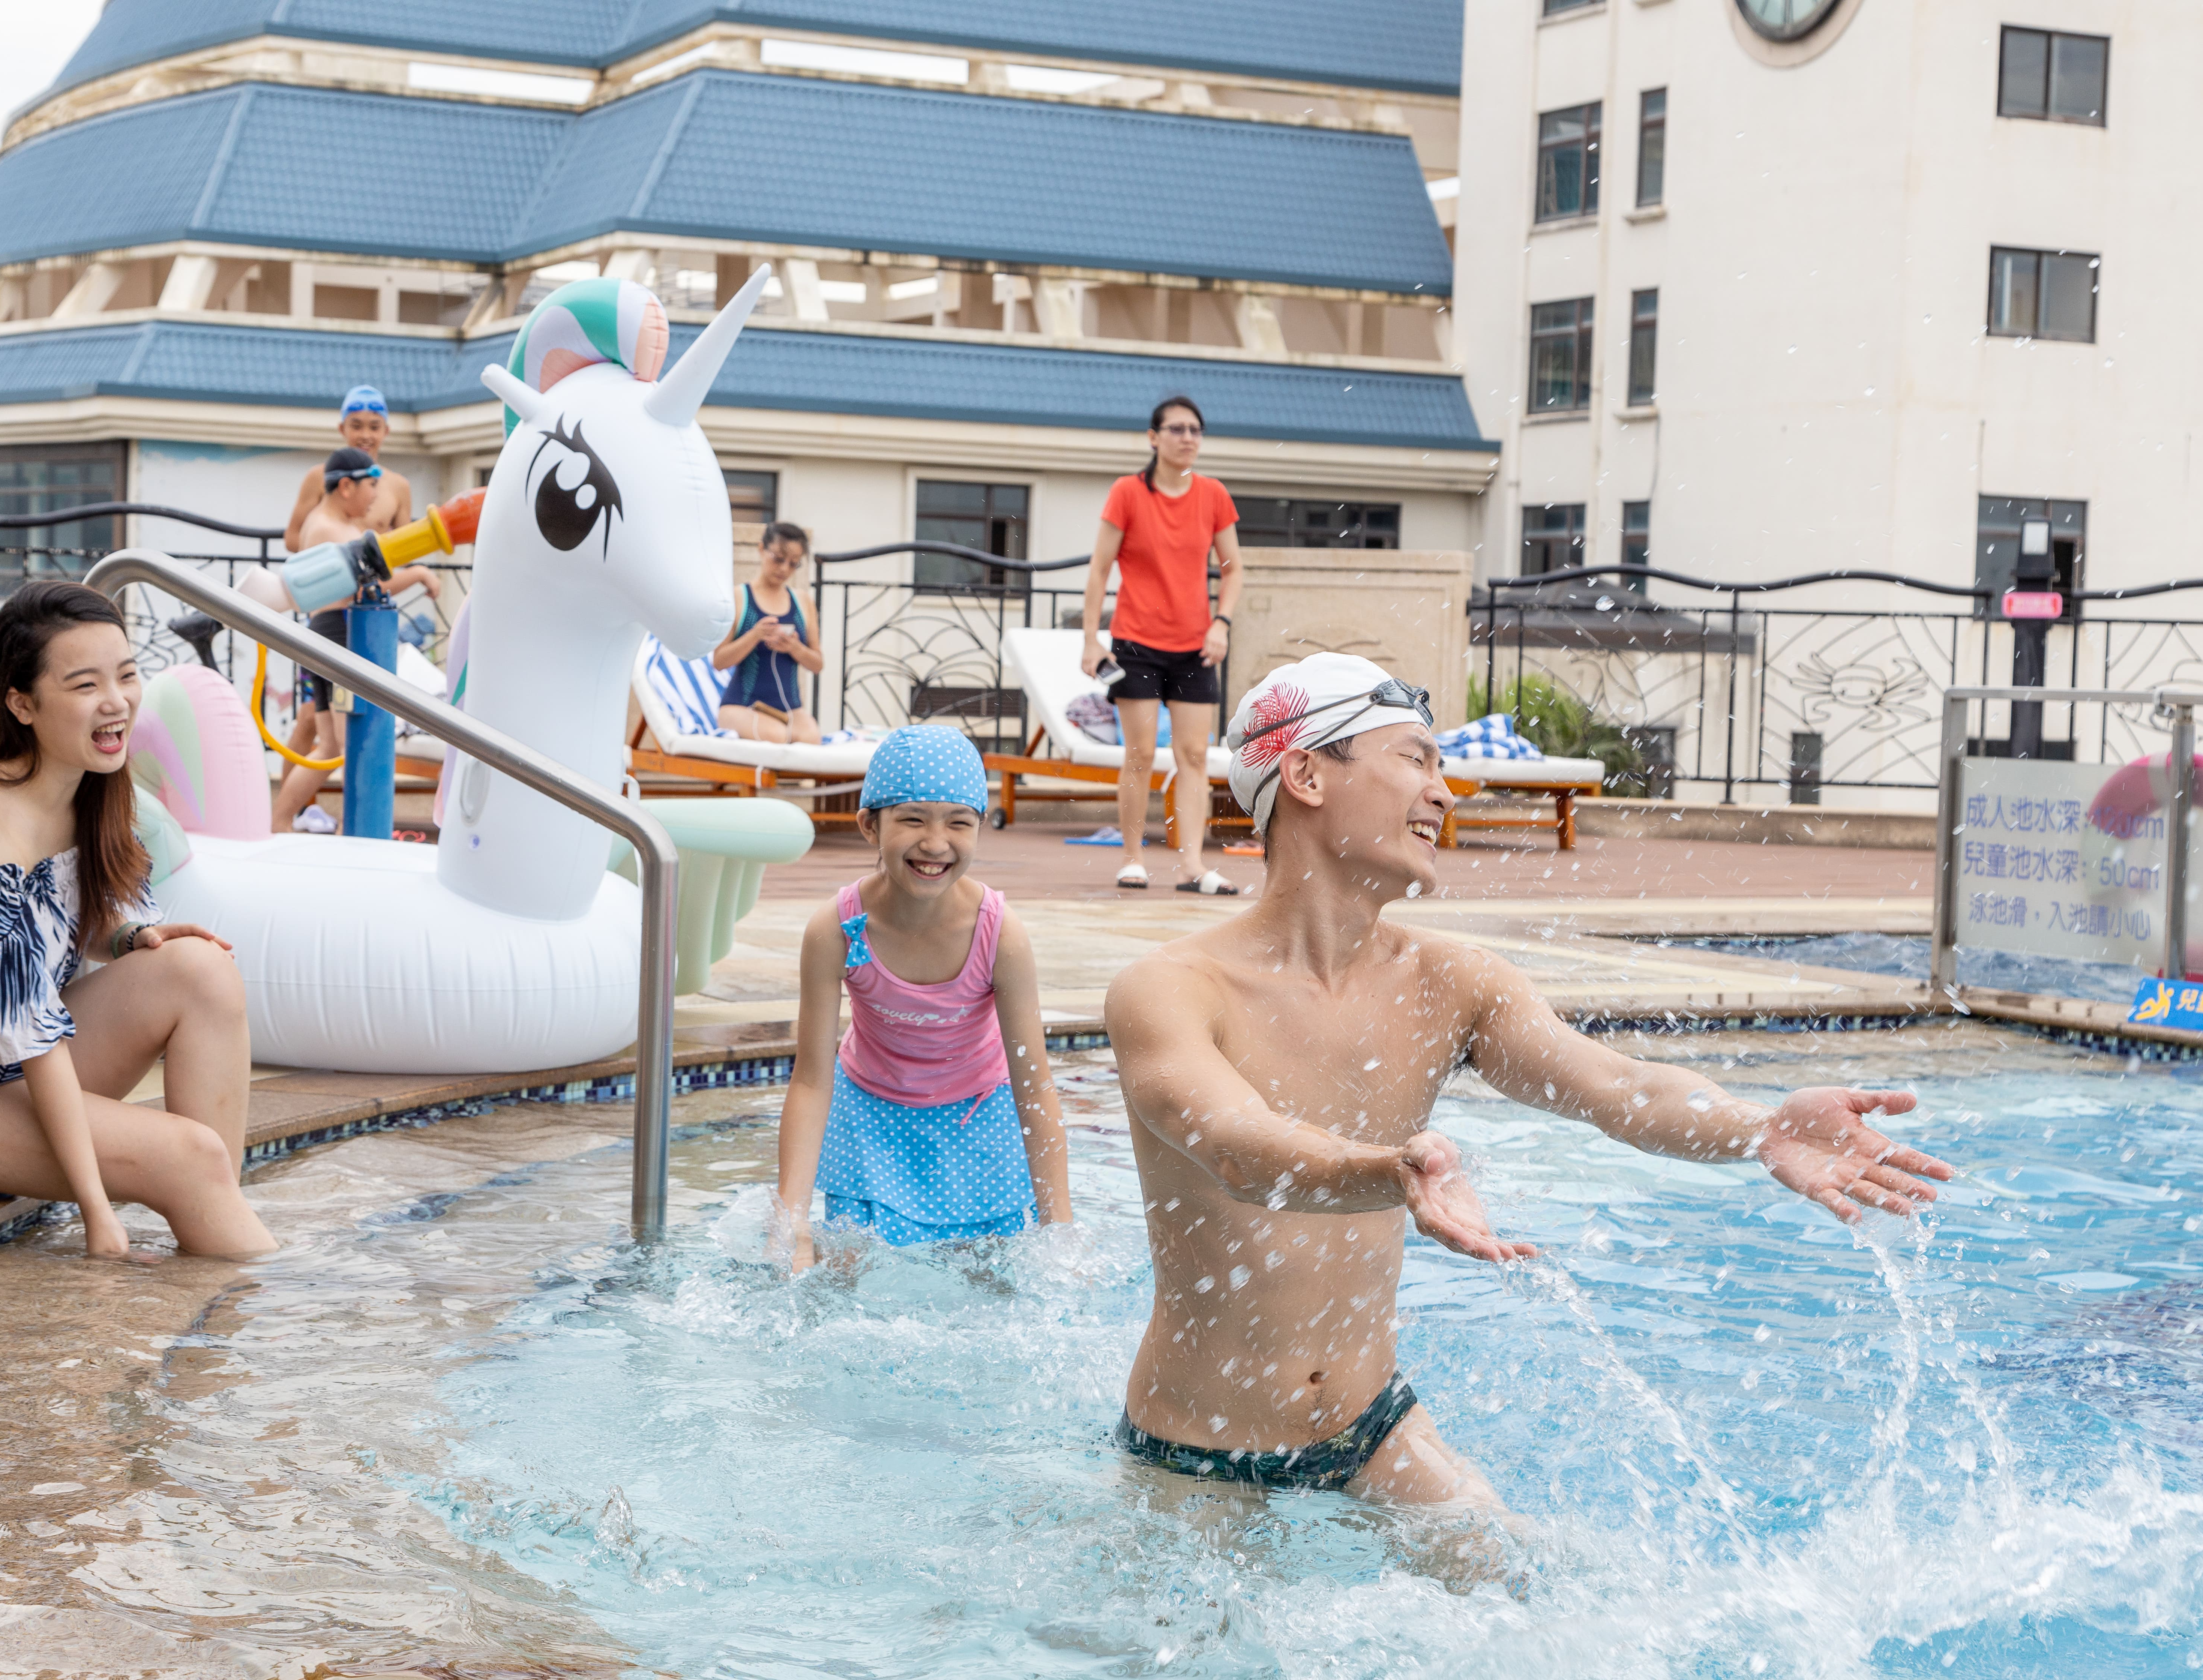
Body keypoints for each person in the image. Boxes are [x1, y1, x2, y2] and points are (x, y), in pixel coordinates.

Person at [1103, 652, 1952, 1542]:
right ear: (1308, 774)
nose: (1444, 793)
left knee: (1502, 1570)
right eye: (1416, 759)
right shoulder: (1170, 990)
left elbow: (1617, 1088)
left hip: (1370, 1428)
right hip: (1198, 1450)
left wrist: (1760, 1126)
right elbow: (1242, 1150)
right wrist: (1392, 1172)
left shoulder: (1450, 981)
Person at [0, 581, 275, 1260]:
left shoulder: (87, 786)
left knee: (203, 969)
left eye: (126, 674)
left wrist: (126, 937)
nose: (116, 701)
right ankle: (243, 1320)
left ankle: (214, 1216)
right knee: (188, 1157)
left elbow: (66, 919)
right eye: (85, 684)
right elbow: (29, 1031)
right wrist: (98, 1213)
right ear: (22, 703)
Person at [770, 726, 1073, 1269]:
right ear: (869, 825)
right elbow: (813, 1080)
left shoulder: (999, 934)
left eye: (959, 823)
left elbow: (1034, 1087)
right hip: (869, 1121)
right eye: (913, 819)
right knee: (838, 1279)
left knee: (994, 1286)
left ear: (981, 828)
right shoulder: (838, 930)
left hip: (978, 1122)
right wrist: (790, 1218)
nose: (935, 843)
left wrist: (1060, 1228)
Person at [1077, 394, 1244, 896]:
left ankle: (1193, 866)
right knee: (1141, 754)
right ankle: (1132, 859)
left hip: (1196, 646)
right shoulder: (1128, 493)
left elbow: (1233, 567)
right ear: (1154, 438)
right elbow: (1100, 569)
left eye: (1196, 430)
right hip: (1136, 643)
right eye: (1176, 429)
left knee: (1195, 756)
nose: (1188, 438)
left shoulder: (1214, 494)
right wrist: (1091, 639)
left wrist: (1222, 622)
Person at [271, 447, 442, 832]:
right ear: (346, 486)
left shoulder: (321, 523)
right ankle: (354, 831)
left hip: (326, 636)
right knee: (354, 745)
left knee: (331, 747)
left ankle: (279, 822)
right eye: (372, 487)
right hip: (340, 637)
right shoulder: (337, 531)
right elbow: (375, 581)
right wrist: (419, 574)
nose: (376, 498)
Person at [710, 521, 824, 742]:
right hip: (742, 706)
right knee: (776, 737)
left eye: (793, 564)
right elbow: (719, 661)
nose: (784, 569)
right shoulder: (739, 598)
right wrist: (755, 636)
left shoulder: (803, 602)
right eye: (779, 559)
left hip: (790, 709)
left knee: (812, 739)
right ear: (762, 550)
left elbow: (817, 664)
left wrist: (794, 648)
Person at [283, 385, 414, 548]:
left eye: (374, 428)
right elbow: (293, 538)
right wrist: (335, 557)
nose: (365, 436)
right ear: (342, 429)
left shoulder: (399, 486)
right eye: (357, 427)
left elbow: (406, 550)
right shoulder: (320, 477)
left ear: (386, 431)